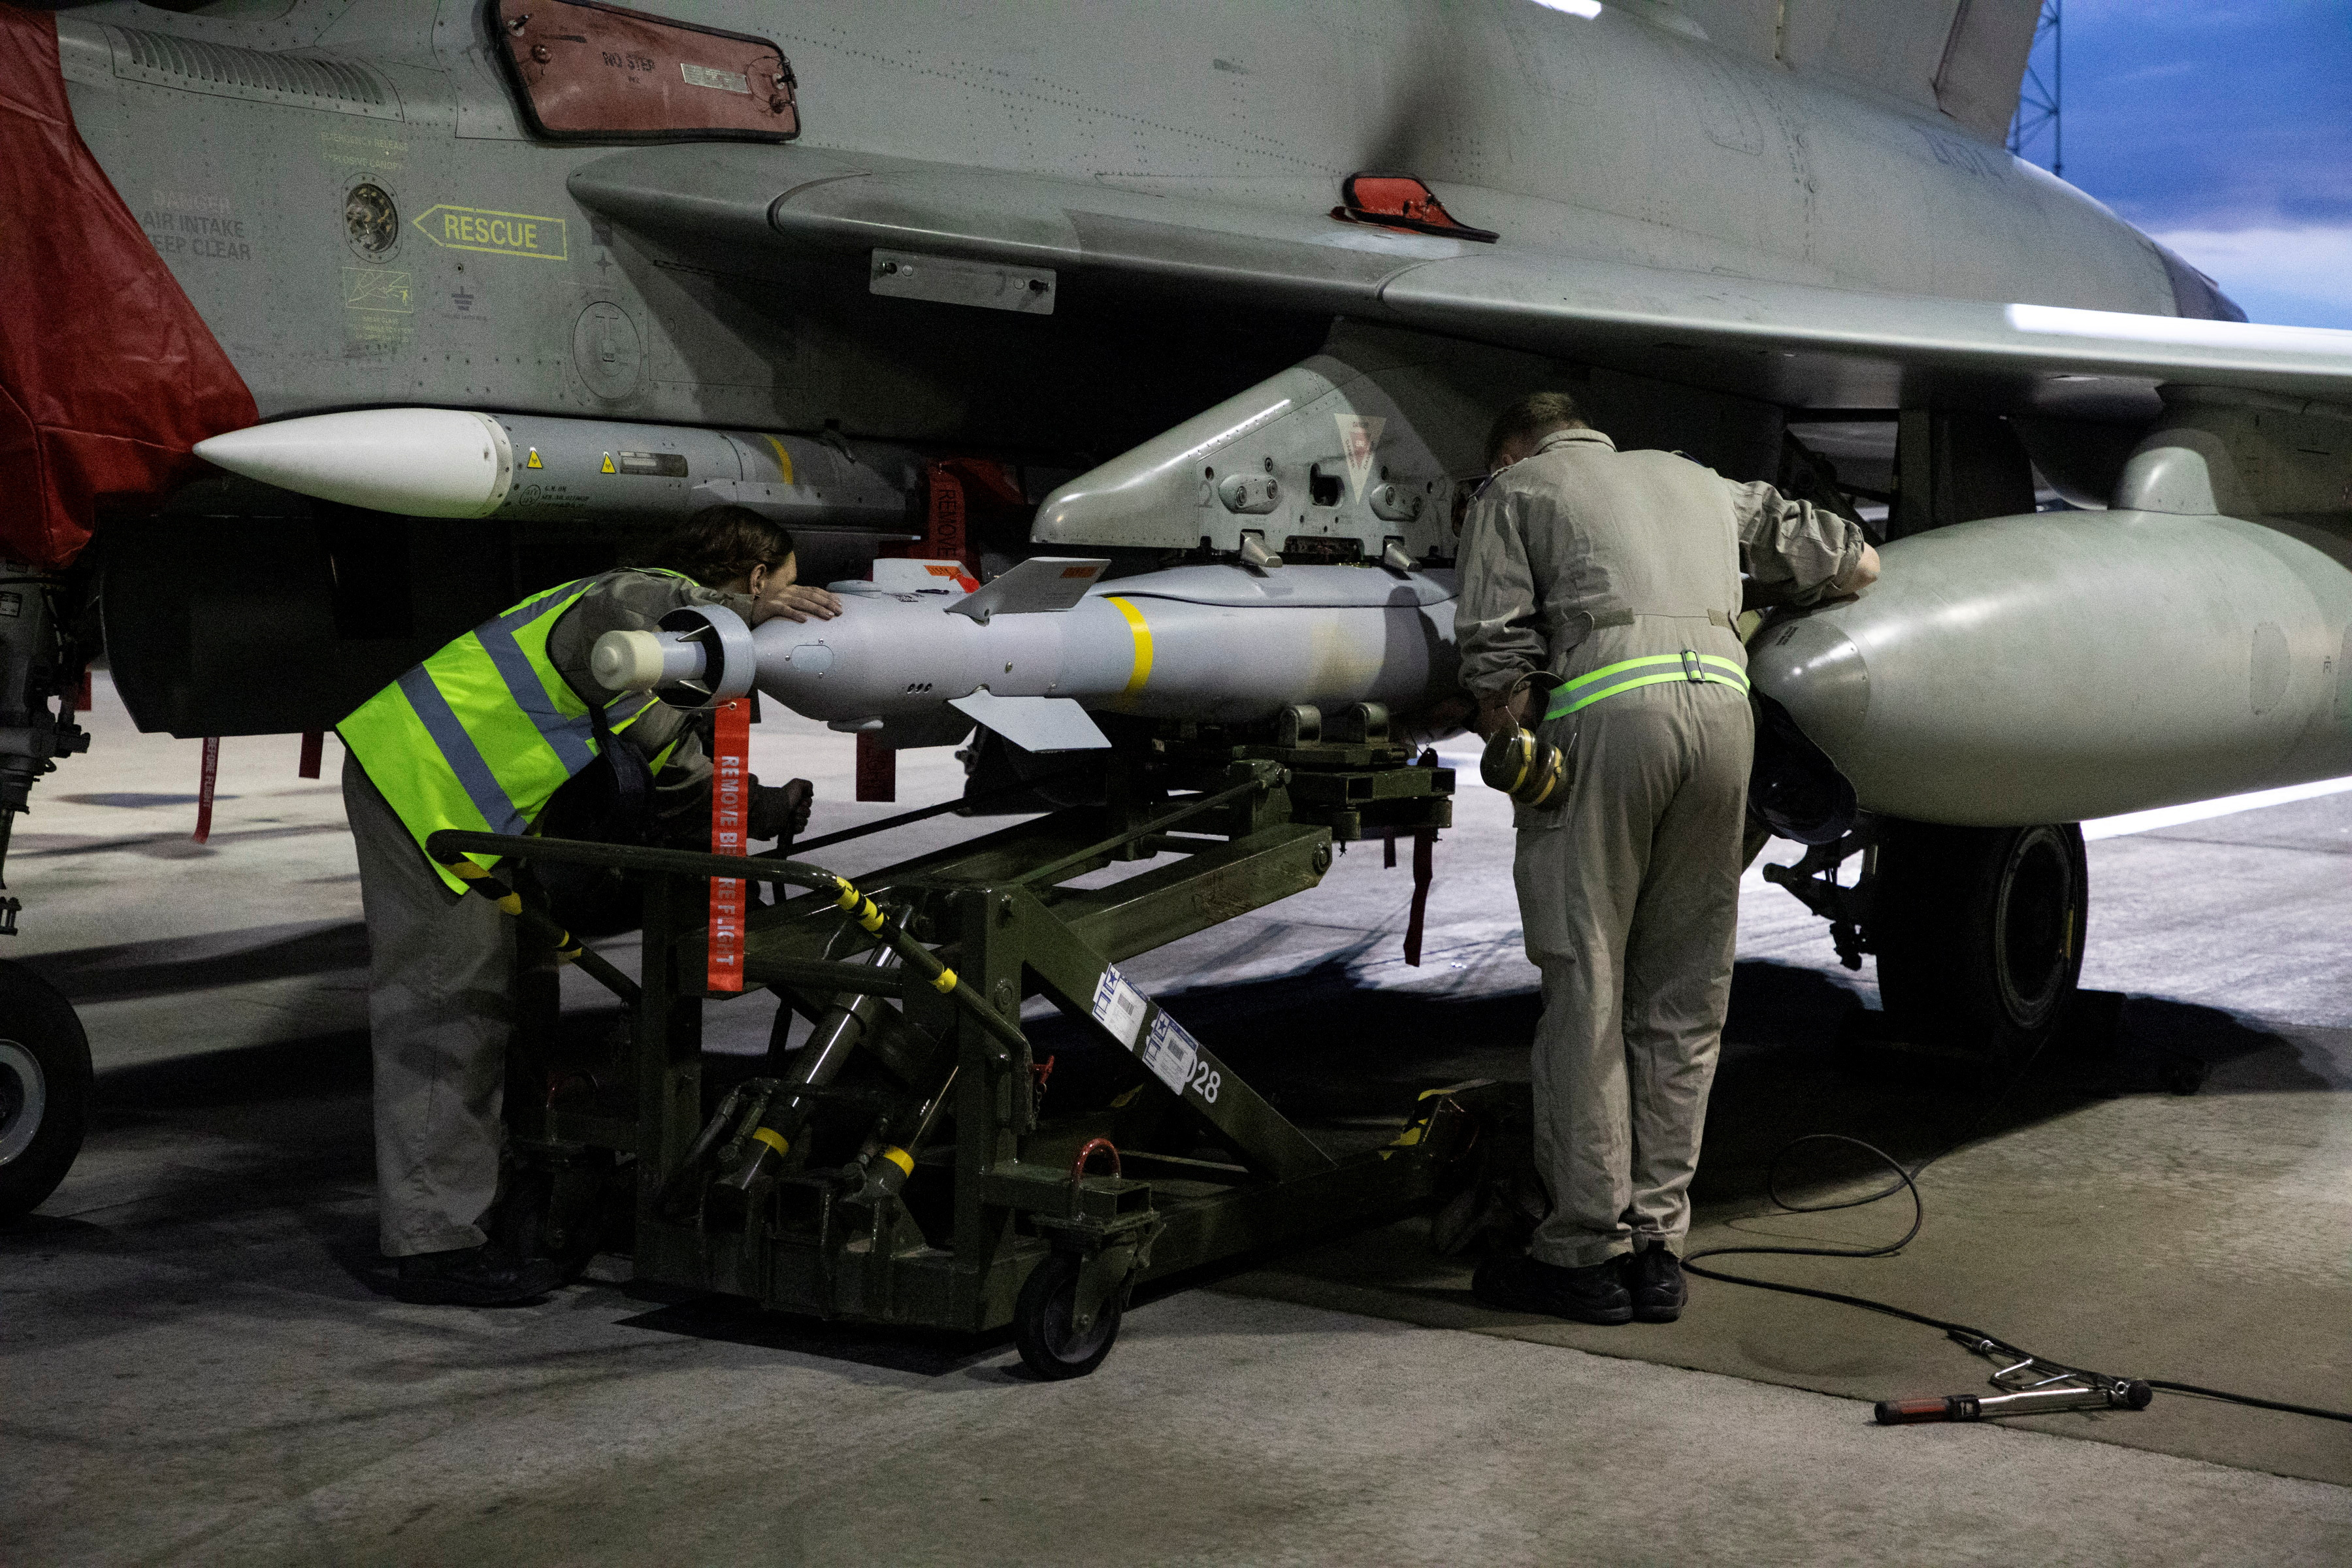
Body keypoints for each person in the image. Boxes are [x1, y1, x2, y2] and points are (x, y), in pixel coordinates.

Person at [338, 506, 842, 1305]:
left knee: (520, 991)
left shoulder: (642, 597)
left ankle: (503, 1182)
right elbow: (670, 762)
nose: (789, 603)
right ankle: (432, 1243)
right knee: (449, 1009)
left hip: (483, 806)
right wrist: (758, 805)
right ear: (752, 579)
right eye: (781, 588)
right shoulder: (640, 608)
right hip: (426, 791)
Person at [1458, 392, 1878, 1326]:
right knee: (1683, 1000)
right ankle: (1658, 1251)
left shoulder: (1517, 490)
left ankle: (1584, 1255)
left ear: (1516, 446)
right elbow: (1858, 560)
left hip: (1610, 731)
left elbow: (1492, 652)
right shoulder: (1696, 480)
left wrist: (1512, 735)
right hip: (1725, 727)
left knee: (1590, 987)